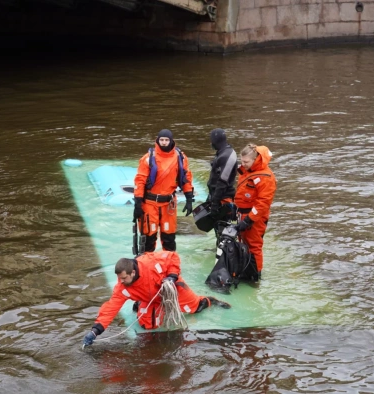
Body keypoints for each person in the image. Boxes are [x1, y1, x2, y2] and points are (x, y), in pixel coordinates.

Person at [82, 251, 231, 346]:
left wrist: (172, 276)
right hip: (149, 298)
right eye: (119, 278)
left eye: (124, 278)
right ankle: (140, 302)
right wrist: (96, 330)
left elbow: (172, 256)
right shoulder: (122, 287)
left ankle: (210, 300)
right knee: (148, 325)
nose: (120, 281)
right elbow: (110, 308)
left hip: (172, 288)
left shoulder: (150, 263)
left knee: (194, 307)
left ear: (133, 272)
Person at [133, 129, 194, 252]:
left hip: (168, 205)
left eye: (166, 140)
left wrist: (189, 198)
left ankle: (170, 266)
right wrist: (138, 203)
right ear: (158, 140)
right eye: (162, 140)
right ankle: (147, 265)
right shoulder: (147, 159)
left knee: (169, 238)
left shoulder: (180, 158)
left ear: (171, 141)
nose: (164, 142)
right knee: (148, 238)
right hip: (150, 203)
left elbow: (186, 178)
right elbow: (140, 180)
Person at [234, 143, 277, 281]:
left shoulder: (266, 178)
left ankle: (254, 276)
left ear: (255, 160)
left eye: (246, 161)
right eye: (242, 161)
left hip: (255, 218)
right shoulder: (249, 171)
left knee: (254, 246)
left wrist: (249, 220)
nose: (243, 164)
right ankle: (246, 270)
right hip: (244, 213)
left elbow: (263, 203)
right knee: (244, 244)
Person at [207, 128, 238, 239]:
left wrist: (215, 203)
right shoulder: (222, 152)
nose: (210, 143)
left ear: (216, 141)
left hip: (223, 199)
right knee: (217, 227)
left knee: (224, 229)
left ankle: (224, 252)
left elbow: (222, 182)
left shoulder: (227, 155)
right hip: (216, 197)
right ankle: (219, 247)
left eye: (211, 141)